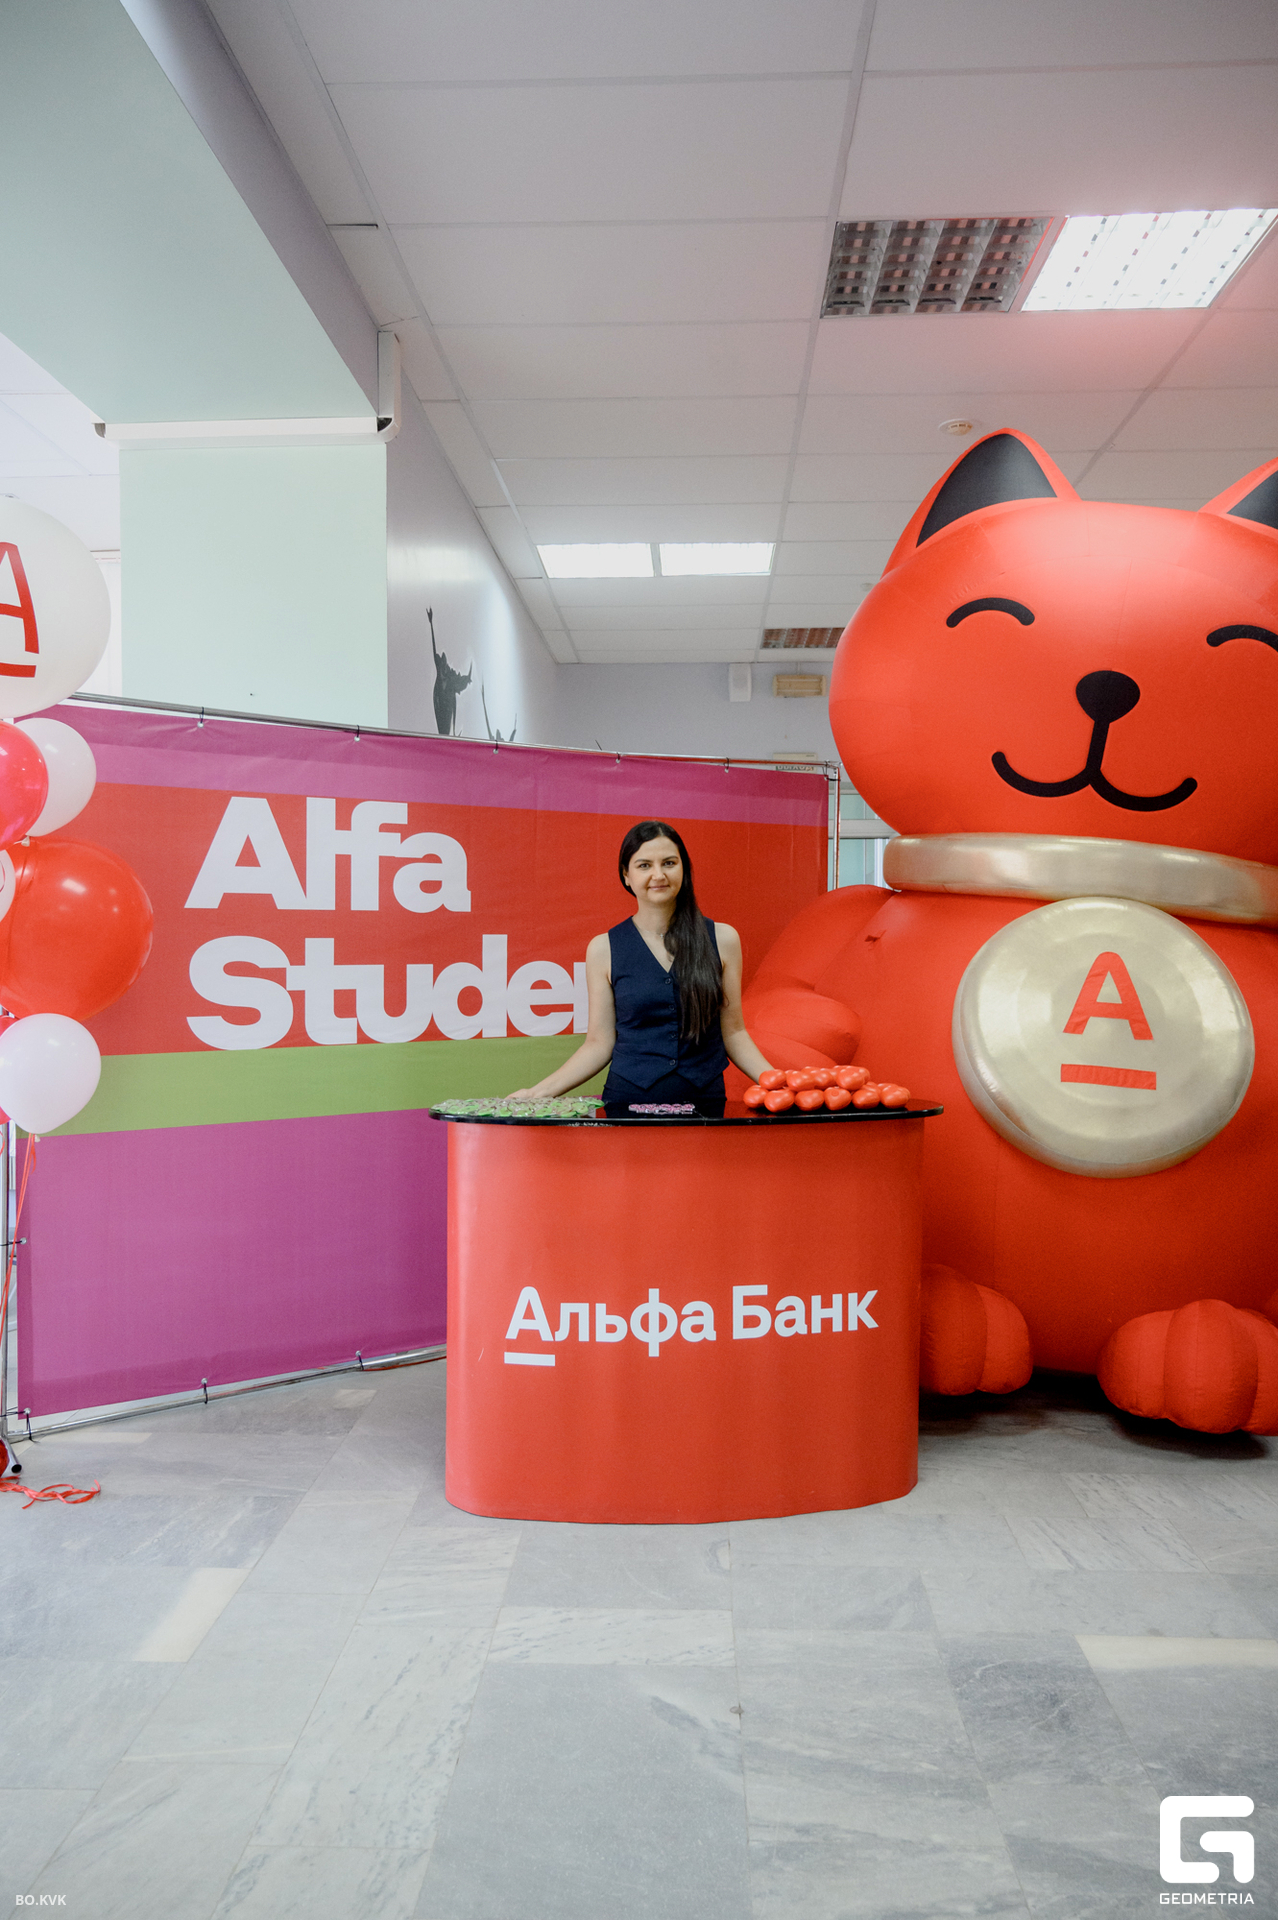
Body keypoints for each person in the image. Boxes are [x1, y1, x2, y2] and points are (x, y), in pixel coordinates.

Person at [512, 819, 774, 1105]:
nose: (658, 875)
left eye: (669, 863)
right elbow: (598, 1044)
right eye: (644, 865)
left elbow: (734, 1033)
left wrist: (777, 1083)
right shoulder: (603, 948)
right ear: (626, 875)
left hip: (705, 1106)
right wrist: (537, 1093)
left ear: (684, 869)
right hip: (628, 1105)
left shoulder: (723, 939)